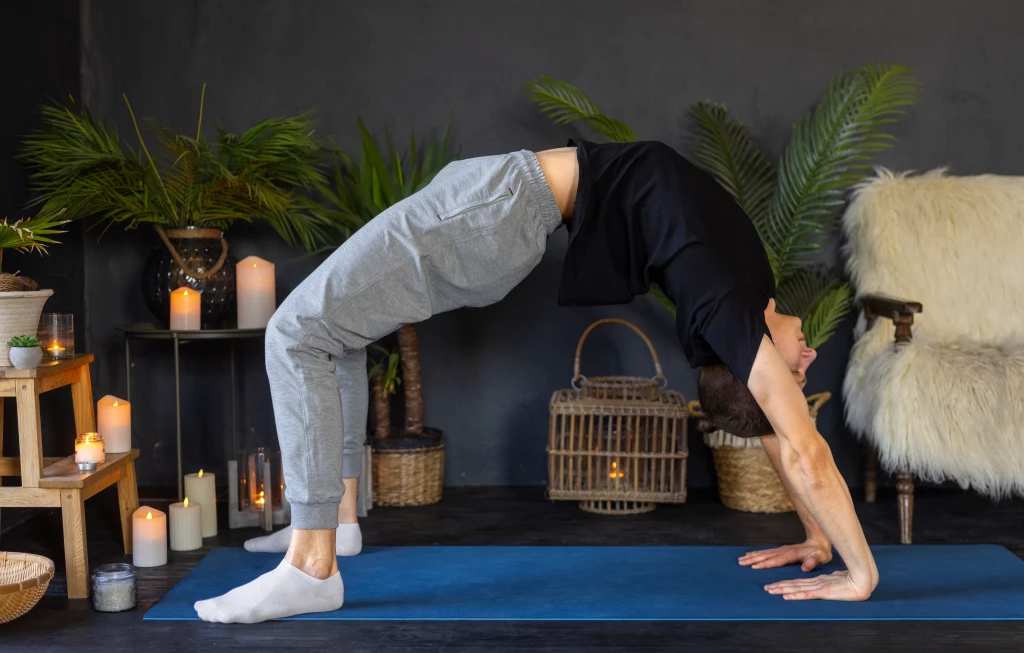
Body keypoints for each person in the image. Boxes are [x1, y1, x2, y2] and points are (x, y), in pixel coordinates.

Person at [194, 140, 878, 624]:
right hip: (503, 205)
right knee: (332, 332)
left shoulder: (728, 314)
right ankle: (333, 527)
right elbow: (779, 434)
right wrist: (815, 538)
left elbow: (801, 444)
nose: (808, 356)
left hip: (499, 208)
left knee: (295, 332)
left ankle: (313, 567)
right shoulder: (734, 305)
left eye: (791, 373)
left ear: (753, 366)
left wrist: (859, 570)